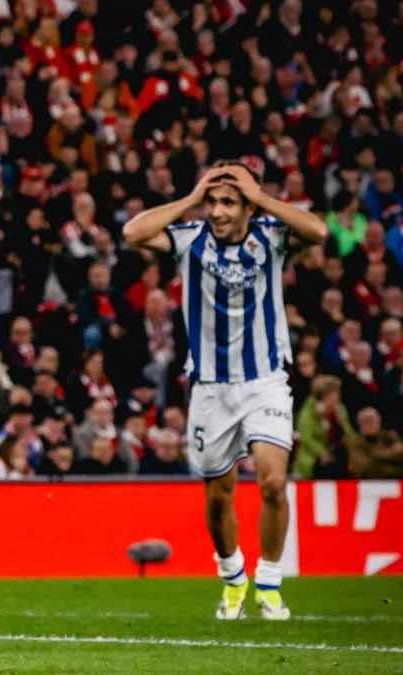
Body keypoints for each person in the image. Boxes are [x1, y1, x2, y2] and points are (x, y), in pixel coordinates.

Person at [123, 159, 327, 621]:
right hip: (211, 388)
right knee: (219, 497)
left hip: (266, 381)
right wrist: (191, 199)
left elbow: (317, 231)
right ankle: (233, 576)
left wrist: (257, 197)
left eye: (227, 202)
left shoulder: (271, 235)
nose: (216, 211)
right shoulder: (189, 238)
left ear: (248, 206)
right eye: (212, 201)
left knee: (274, 482)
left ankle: (269, 584)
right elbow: (134, 232)